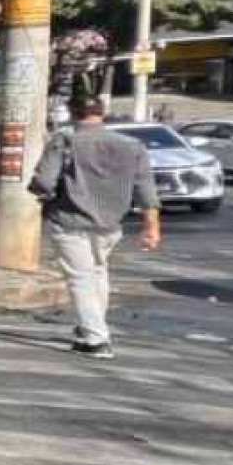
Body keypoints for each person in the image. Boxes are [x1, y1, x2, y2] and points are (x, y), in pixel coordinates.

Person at [30, 95, 161, 359]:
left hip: (70, 220)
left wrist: (38, 191)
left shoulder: (65, 140)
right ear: (102, 113)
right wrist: (152, 228)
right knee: (98, 273)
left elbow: (44, 182)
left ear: (73, 112)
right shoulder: (133, 146)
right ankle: (89, 328)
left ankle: (96, 339)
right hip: (111, 224)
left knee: (80, 278)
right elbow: (146, 189)